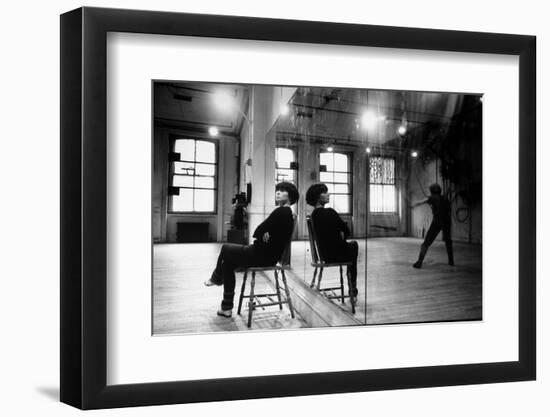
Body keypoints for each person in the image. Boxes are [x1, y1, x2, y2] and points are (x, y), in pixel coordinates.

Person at [204, 182, 299, 317]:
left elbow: (258, 231)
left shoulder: (281, 211)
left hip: (261, 255)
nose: (278, 192)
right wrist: (266, 232)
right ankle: (226, 307)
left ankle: (216, 279)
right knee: (227, 264)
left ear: (291, 195)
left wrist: (265, 232)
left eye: (283, 190)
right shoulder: (287, 213)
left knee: (225, 248)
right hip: (266, 255)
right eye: (277, 190)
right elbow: (263, 231)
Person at [305, 183, 359, 301]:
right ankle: (352, 289)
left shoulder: (313, 215)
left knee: (350, 246)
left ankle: (352, 289)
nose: (328, 194)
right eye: (324, 192)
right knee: (354, 245)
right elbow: (346, 231)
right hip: (335, 255)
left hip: (323, 255)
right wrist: (341, 232)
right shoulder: (329, 212)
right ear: (318, 196)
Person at [411, 183, 454, 268]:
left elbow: (421, 202)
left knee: (426, 243)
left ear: (432, 191)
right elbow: (449, 210)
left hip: (437, 222)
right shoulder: (445, 198)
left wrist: (414, 204)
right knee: (448, 241)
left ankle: (419, 262)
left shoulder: (432, 198)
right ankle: (451, 261)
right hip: (447, 221)